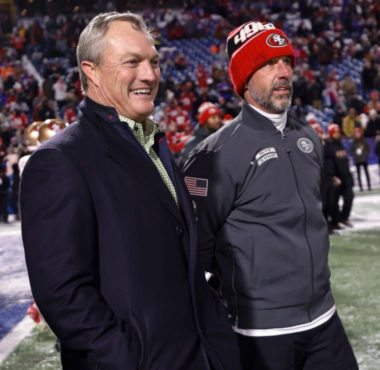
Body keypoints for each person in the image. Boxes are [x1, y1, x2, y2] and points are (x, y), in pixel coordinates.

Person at [20, 12, 241, 370]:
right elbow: (62, 294)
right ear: (91, 71)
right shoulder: (59, 160)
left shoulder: (152, 141)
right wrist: (129, 359)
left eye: (154, 61)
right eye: (132, 62)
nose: (150, 75)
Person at [183, 20, 358, 370]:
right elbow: (196, 249)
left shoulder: (307, 136)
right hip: (261, 332)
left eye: (286, 62)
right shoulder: (214, 156)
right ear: (245, 78)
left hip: (324, 318)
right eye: (268, 63)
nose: (283, 72)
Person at [326, 123, 355, 229]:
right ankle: (335, 221)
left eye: (338, 132)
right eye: (335, 132)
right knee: (334, 201)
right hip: (336, 177)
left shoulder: (340, 143)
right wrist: (332, 176)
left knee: (349, 197)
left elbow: (345, 160)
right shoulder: (327, 145)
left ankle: (344, 218)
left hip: (346, 176)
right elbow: (328, 163)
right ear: (331, 133)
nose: (338, 134)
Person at [177, 102, 223, 168]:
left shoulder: (225, 136)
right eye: (213, 117)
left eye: (219, 117)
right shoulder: (192, 143)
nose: (218, 120)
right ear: (204, 120)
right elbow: (182, 168)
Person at [349, 126, 371, 191]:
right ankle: (360, 187)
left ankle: (369, 186)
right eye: (356, 133)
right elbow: (351, 151)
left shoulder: (364, 141)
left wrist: (364, 155)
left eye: (358, 133)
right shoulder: (353, 143)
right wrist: (356, 156)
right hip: (357, 160)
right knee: (359, 174)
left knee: (367, 173)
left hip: (364, 159)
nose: (357, 135)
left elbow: (368, 149)